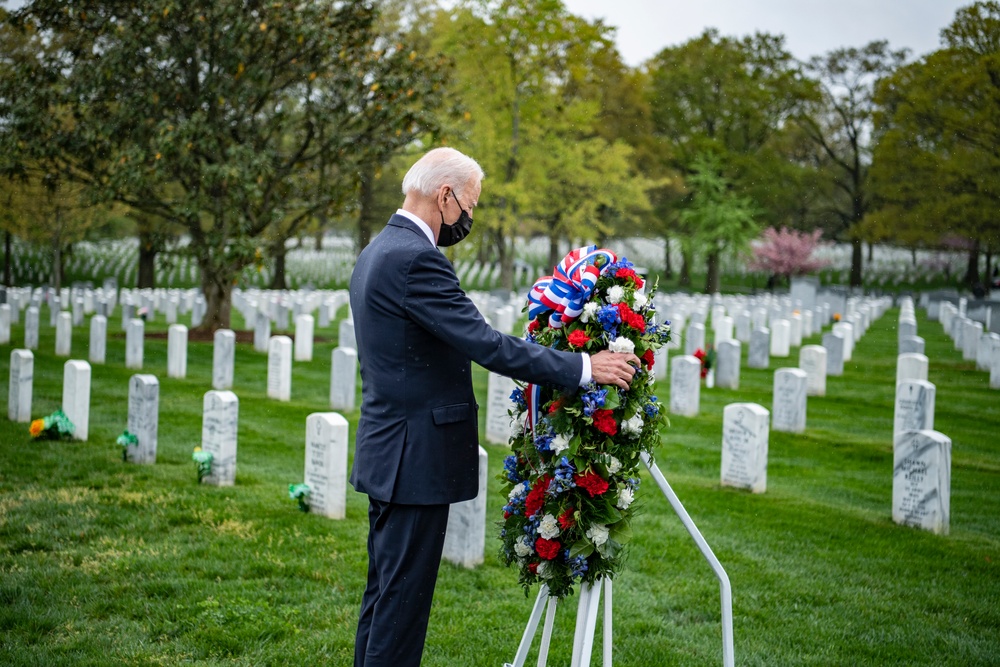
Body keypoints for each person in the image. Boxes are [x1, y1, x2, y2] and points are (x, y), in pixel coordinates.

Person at [349, 146, 641, 667]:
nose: (469, 218)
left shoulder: (377, 250)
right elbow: (487, 345)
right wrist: (582, 368)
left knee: (383, 597)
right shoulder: (417, 260)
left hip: (387, 451)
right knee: (401, 608)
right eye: (470, 205)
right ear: (445, 195)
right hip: (414, 459)